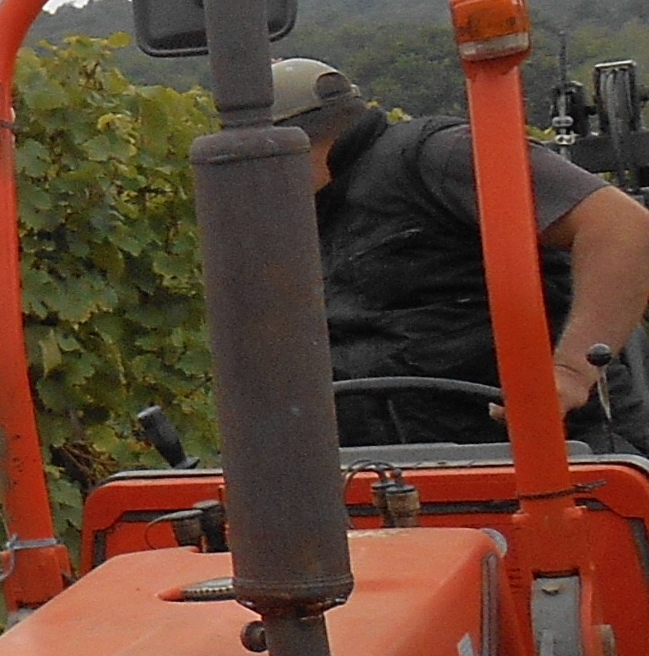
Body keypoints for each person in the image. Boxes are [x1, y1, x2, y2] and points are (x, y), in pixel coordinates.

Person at [278, 58, 649, 453]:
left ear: (288, 147)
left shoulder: (434, 155)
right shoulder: (305, 220)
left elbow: (621, 226)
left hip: (558, 453)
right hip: (397, 470)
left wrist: (570, 372)